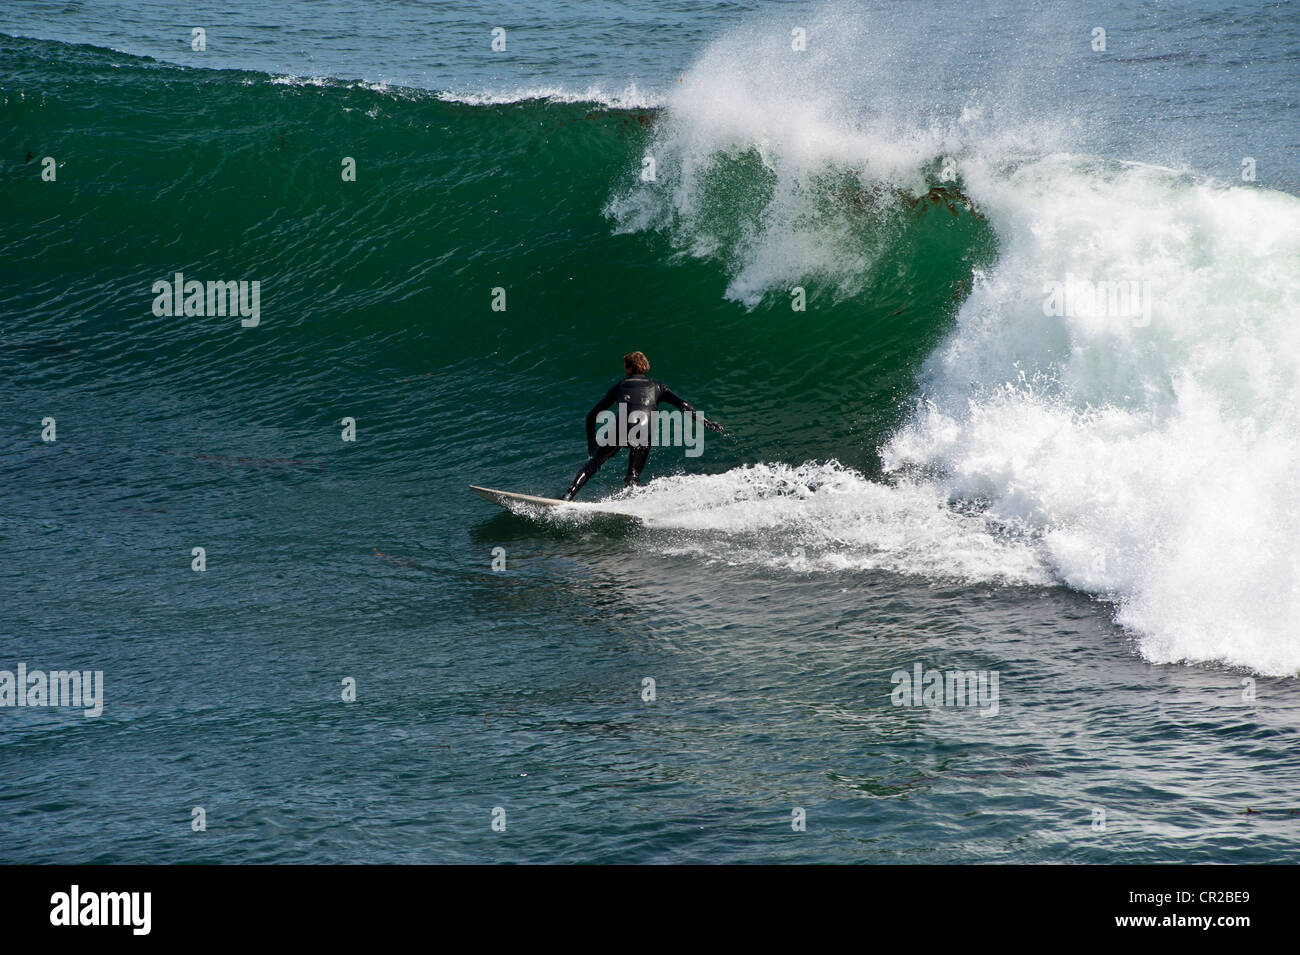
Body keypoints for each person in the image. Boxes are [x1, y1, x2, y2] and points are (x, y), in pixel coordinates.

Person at [562, 351, 724, 500]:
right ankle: (633, 505)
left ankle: (568, 496)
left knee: (593, 465)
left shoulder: (620, 386)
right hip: (643, 432)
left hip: (621, 428)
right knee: (632, 477)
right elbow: (683, 405)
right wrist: (706, 422)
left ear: (631, 368)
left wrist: (592, 444)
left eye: (625, 366)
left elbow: (592, 415)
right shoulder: (658, 386)